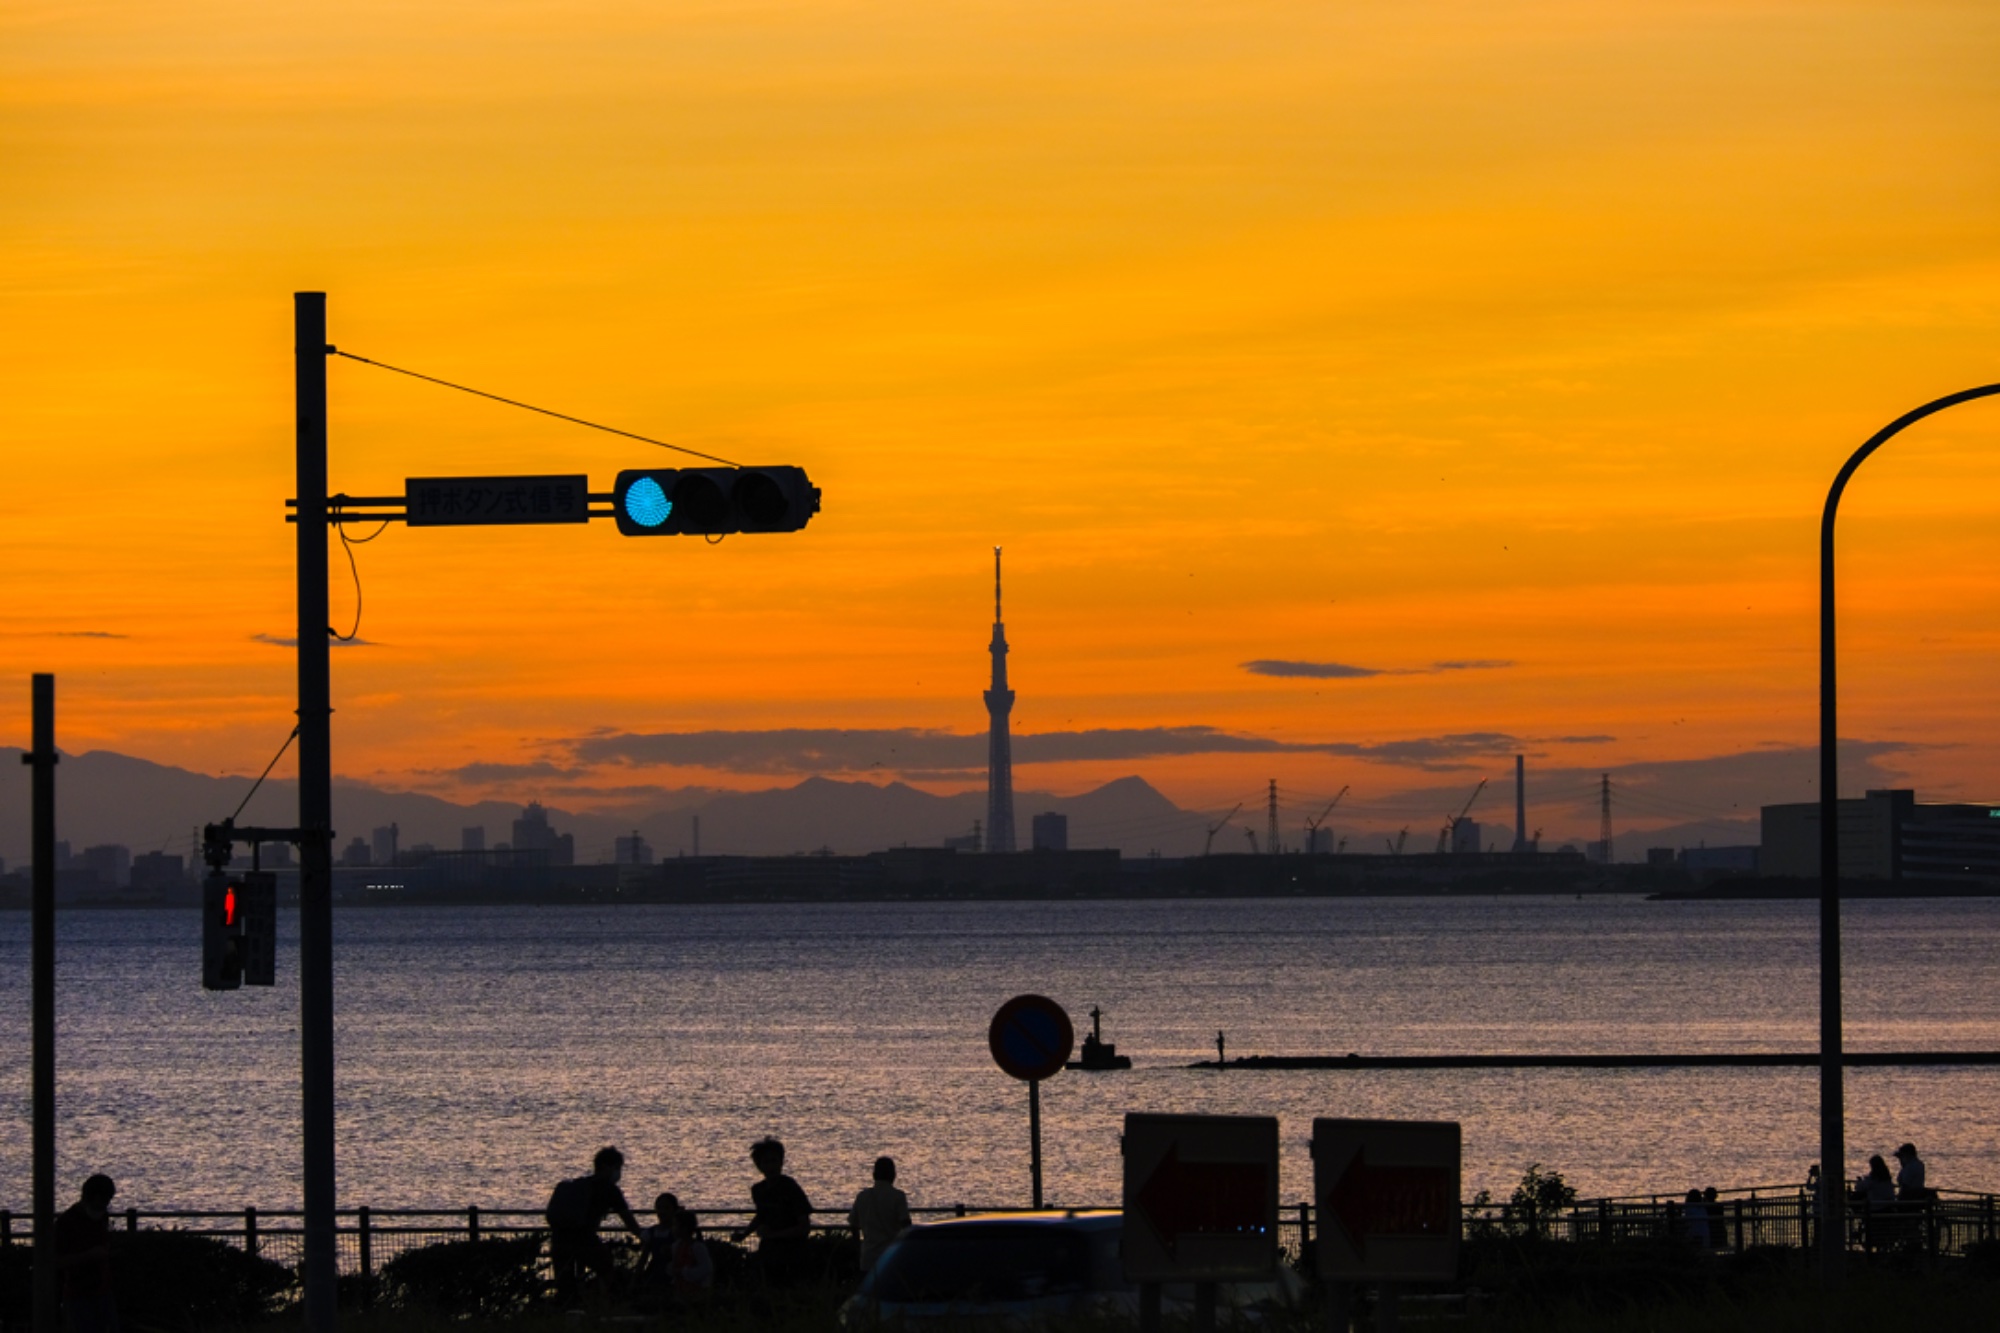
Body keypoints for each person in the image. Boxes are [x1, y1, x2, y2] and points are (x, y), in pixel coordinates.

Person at [546, 1147, 645, 1307]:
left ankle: (568, 1315)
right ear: (607, 1166)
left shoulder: (581, 1185)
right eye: (617, 1168)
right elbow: (628, 1219)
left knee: (565, 1286)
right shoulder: (610, 1190)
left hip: (559, 1239)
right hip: (584, 1239)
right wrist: (643, 1235)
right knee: (606, 1268)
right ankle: (598, 1305)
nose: (618, 1173)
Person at [731, 1137, 814, 1287]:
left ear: (781, 1162)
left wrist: (773, 1235)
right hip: (769, 1252)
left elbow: (804, 1226)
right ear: (759, 1166)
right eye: (766, 1162)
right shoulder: (758, 1190)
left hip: (794, 1252)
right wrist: (744, 1234)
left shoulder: (790, 1187)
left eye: (774, 1161)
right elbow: (761, 1215)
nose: (771, 1166)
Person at [55, 1174, 118, 1333]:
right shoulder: (66, 1223)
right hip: (78, 1296)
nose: (105, 1206)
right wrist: (89, 1256)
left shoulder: (102, 1217)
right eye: (104, 1201)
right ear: (95, 1197)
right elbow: (56, 1261)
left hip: (103, 1292)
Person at [848, 1156, 913, 1275]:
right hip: (891, 1257)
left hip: (867, 1258)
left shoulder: (862, 1196)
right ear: (893, 1174)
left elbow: (853, 1225)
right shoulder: (898, 1196)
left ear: (874, 1174)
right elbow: (906, 1226)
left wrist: (858, 1249)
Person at [667, 1210, 715, 1303]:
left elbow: (707, 1268)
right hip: (681, 1289)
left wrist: (683, 1272)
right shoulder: (676, 1246)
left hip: (697, 1291)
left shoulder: (698, 1247)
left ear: (684, 1228)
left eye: (675, 1225)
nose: (672, 1228)